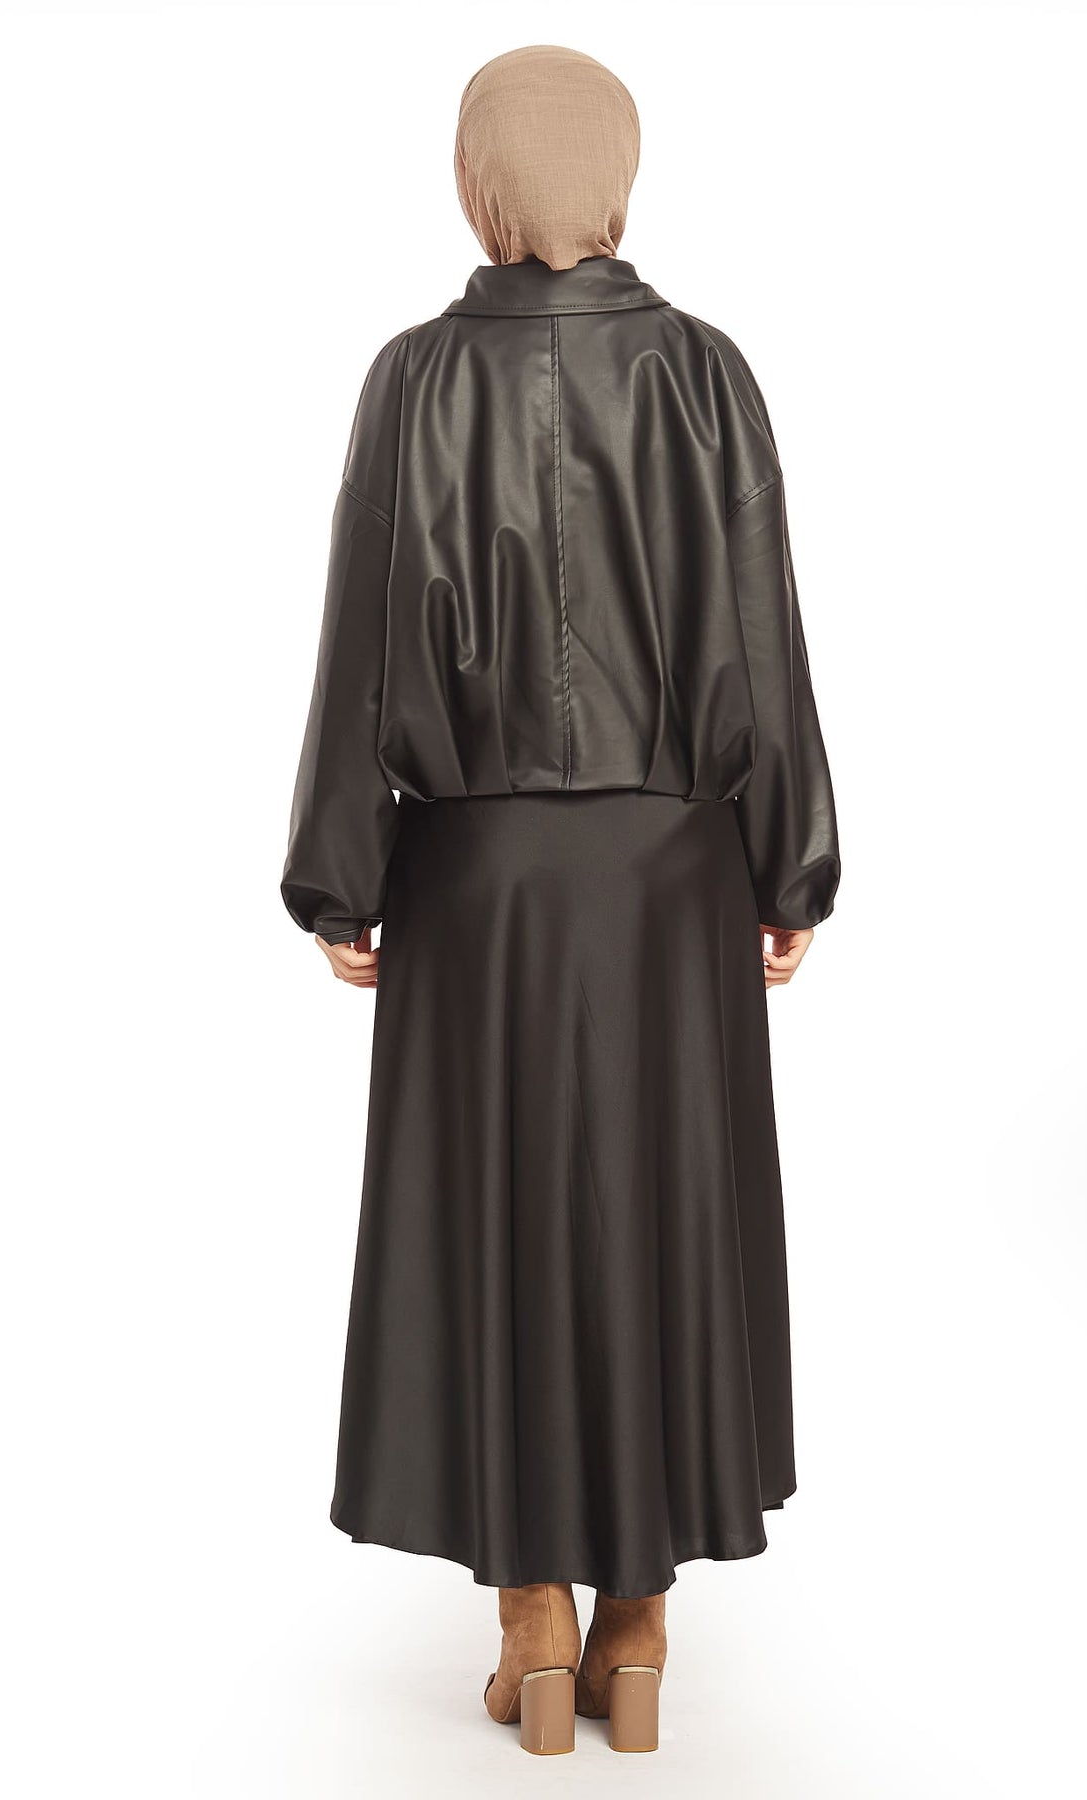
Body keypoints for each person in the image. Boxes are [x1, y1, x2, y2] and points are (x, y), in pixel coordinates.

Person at [279, 44, 839, 1755]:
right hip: (673, 879)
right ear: (619, 174)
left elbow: (363, 639)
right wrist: (790, 857)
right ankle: (639, 1627)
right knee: (664, 1212)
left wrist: (341, 873)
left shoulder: (412, 381)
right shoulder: (707, 375)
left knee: (498, 1219)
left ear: (481, 183)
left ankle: (530, 1618)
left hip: (479, 883)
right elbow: (761, 633)